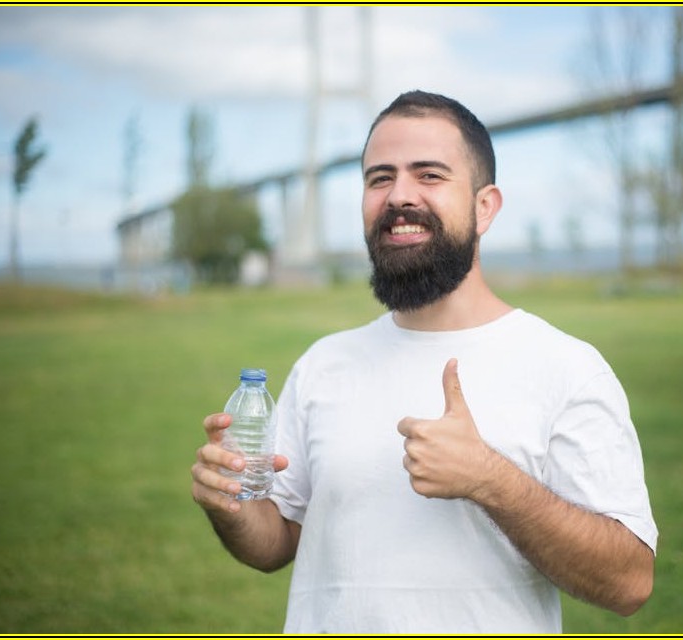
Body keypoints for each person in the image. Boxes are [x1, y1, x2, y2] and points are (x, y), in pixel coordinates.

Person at [192, 90, 657, 634]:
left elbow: (629, 582)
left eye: (429, 175)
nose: (398, 196)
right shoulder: (323, 364)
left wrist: (490, 479)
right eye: (379, 178)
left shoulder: (567, 367)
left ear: (485, 207)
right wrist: (231, 505)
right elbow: (276, 543)